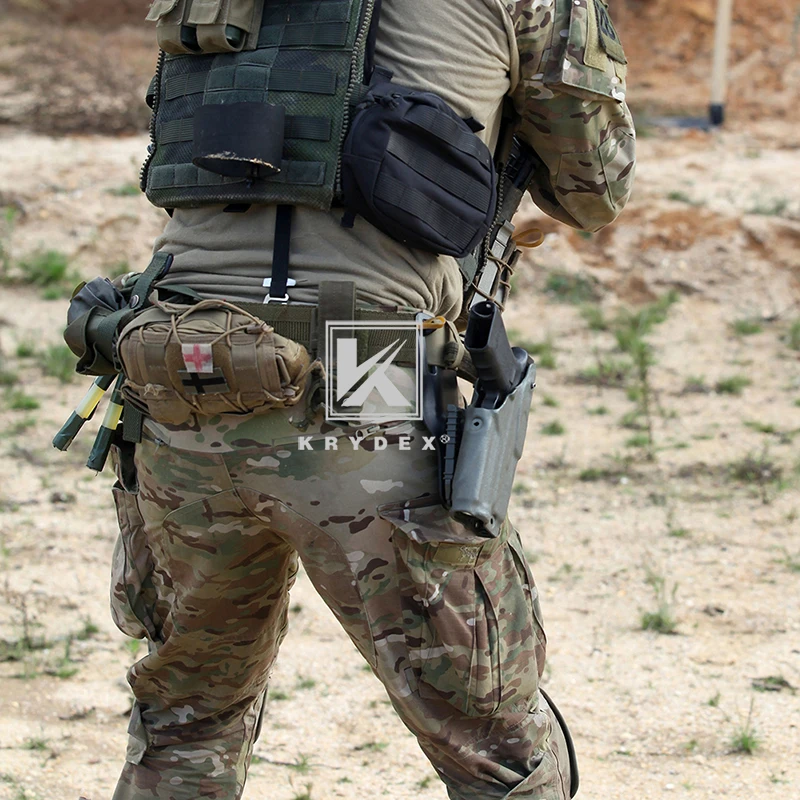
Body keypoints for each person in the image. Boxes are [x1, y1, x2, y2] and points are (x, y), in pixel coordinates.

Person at [106, 0, 635, 798]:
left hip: (179, 357)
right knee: (493, 746)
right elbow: (594, 188)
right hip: (368, 356)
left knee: (186, 721)